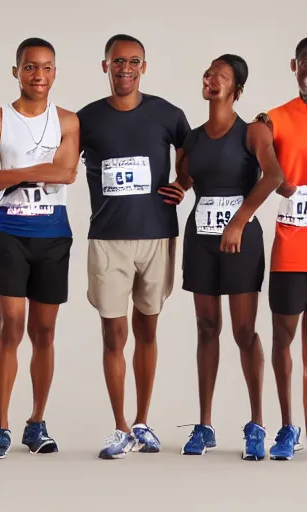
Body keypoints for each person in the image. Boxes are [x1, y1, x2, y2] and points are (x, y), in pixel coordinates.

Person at [77, 34, 191, 460]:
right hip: (108, 239)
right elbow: (59, 154)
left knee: (148, 329)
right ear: (104, 65)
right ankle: (120, 426)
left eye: (134, 61)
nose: (126, 68)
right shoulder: (86, 118)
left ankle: (142, 423)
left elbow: (193, 150)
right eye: (117, 61)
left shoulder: (166, 113)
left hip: (157, 234)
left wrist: (183, 183)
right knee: (114, 333)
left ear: (144, 66)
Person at [0, 38, 79, 459]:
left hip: (53, 235)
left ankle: (36, 422)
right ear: (16, 72)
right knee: (11, 328)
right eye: (30, 68)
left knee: (44, 332)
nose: (39, 76)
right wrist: (36, 171)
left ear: (55, 72)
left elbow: (66, 174)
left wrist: (10, 174)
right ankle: (1, 426)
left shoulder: (67, 121)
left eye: (47, 68)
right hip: (12, 234)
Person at [173, 54, 280, 460]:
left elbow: (274, 176)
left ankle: (256, 424)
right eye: (208, 74)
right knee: (205, 327)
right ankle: (205, 425)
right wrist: (177, 190)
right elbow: (187, 178)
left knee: (243, 331)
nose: (211, 80)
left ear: (236, 90)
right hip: (201, 238)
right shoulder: (195, 137)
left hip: (240, 240)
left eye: (221, 76)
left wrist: (238, 220)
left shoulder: (252, 131)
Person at [258, 36, 307, 461]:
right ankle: (288, 427)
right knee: (283, 339)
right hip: (290, 250)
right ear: (295, 66)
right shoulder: (274, 118)